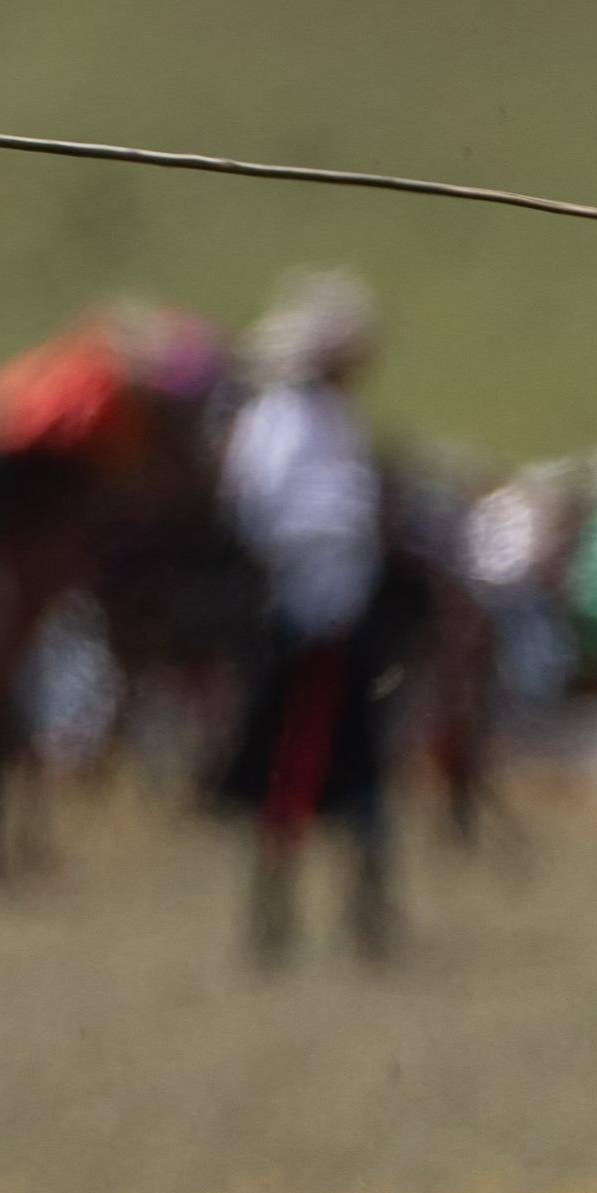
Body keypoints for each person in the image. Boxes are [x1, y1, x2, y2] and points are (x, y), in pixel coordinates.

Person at [219, 270, 392, 965]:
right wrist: (342, 524)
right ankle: (275, 922)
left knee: (357, 774)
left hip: (345, 614)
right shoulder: (277, 422)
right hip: (305, 616)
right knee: (294, 772)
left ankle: (368, 917)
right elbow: (257, 512)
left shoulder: (332, 417)